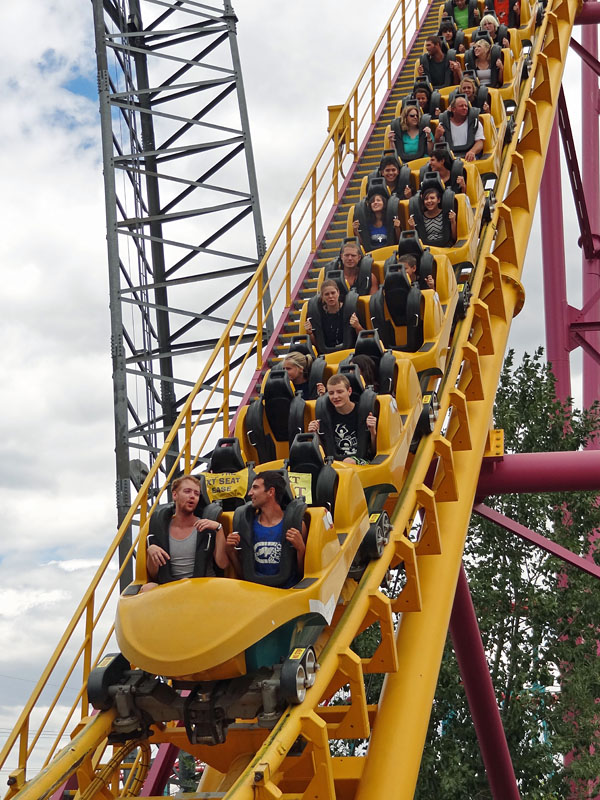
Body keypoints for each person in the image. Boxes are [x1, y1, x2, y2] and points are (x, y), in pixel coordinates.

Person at [143, 475, 227, 591]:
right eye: (187, 491)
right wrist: (151, 551)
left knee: (186, 585)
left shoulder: (207, 526)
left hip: (202, 587)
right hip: (171, 588)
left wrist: (219, 528)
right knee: (147, 588)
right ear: (175, 495)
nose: (192, 496)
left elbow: (223, 564)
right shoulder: (161, 528)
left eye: (196, 494)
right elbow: (154, 574)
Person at [225, 471, 307, 584]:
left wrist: (301, 549)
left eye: (255, 488)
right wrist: (231, 552)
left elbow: (303, 575)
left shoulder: (296, 525)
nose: (249, 493)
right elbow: (242, 574)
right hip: (257, 592)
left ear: (270, 492)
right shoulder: (246, 526)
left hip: (287, 593)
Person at [308, 374, 377, 465]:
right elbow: (324, 447)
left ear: (349, 391)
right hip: (333, 462)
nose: (335, 397)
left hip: (362, 461)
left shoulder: (362, 412)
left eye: (340, 392)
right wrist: (314, 433)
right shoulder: (327, 416)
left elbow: (374, 450)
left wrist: (372, 431)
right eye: (331, 393)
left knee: (348, 461)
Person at [305, 279, 363, 350]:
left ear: (338, 293)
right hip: (326, 354)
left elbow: (364, 336)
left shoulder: (350, 309)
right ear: (322, 297)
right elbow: (316, 345)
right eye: (327, 294)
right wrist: (310, 333)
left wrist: (357, 326)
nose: (330, 296)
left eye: (333, 293)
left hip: (350, 351)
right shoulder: (316, 314)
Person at [435, 95, 485, 161]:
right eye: (461, 106)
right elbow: (439, 147)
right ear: (453, 109)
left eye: (466, 106)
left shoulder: (475, 123)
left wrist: (472, 151)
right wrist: (437, 137)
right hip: (451, 157)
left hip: (470, 156)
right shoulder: (443, 124)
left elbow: (480, 142)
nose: (464, 108)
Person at [353, 185, 401, 250]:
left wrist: (397, 228)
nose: (375, 203)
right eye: (372, 201)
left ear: (384, 203)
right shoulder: (368, 223)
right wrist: (356, 231)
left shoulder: (390, 220)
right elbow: (363, 245)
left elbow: (399, 240)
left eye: (378, 200)